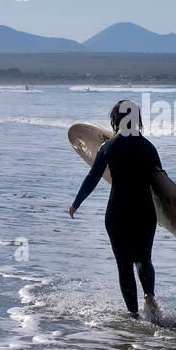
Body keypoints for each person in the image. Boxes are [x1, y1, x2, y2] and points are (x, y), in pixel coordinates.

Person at [69, 100, 163, 318]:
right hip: (145, 212)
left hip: (118, 213)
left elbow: (93, 177)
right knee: (143, 259)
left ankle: (133, 316)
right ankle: (149, 295)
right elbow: (161, 184)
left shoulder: (109, 147)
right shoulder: (149, 148)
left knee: (124, 266)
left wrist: (77, 202)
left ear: (116, 120)